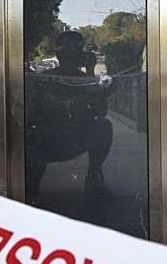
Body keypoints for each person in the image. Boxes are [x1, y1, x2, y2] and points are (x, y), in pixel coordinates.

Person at [24, 31, 114, 203]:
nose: (72, 57)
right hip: (47, 140)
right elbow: (52, 107)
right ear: (59, 54)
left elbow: (101, 112)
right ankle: (30, 185)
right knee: (30, 140)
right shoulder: (47, 79)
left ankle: (93, 177)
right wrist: (84, 99)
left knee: (104, 127)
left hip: (75, 136)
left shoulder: (84, 78)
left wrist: (90, 74)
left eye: (76, 52)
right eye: (68, 52)